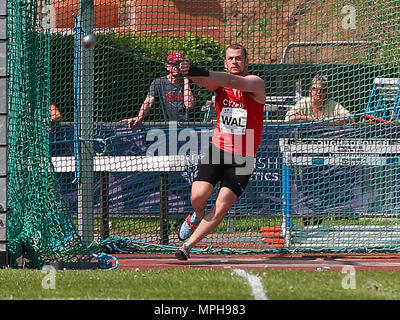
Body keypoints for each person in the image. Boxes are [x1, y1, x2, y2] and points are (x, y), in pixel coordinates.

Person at [174, 43, 266, 260]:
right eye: (231, 58)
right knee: (198, 195)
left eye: (239, 58)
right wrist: (189, 71)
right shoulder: (219, 85)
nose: (235, 62)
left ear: (246, 61)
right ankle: (196, 216)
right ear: (225, 62)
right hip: (218, 149)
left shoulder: (255, 83)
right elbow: (206, 81)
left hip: (243, 158)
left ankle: (188, 246)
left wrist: (197, 69)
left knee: (222, 205)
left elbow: (233, 80)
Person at [120, 51, 196, 127]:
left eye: (179, 65)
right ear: (167, 66)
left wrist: (186, 79)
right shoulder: (159, 82)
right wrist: (140, 117)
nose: (176, 68)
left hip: (187, 127)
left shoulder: (190, 83)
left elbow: (189, 105)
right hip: (166, 126)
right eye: (173, 64)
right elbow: (149, 101)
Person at [284, 74, 354, 124]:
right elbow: (289, 118)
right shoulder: (303, 103)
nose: (319, 92)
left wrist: (327, 121)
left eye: (322, 89)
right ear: (310, 90)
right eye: (315, 89)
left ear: (326, 91)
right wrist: (310, 119)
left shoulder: (333, 104)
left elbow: (350, 118)